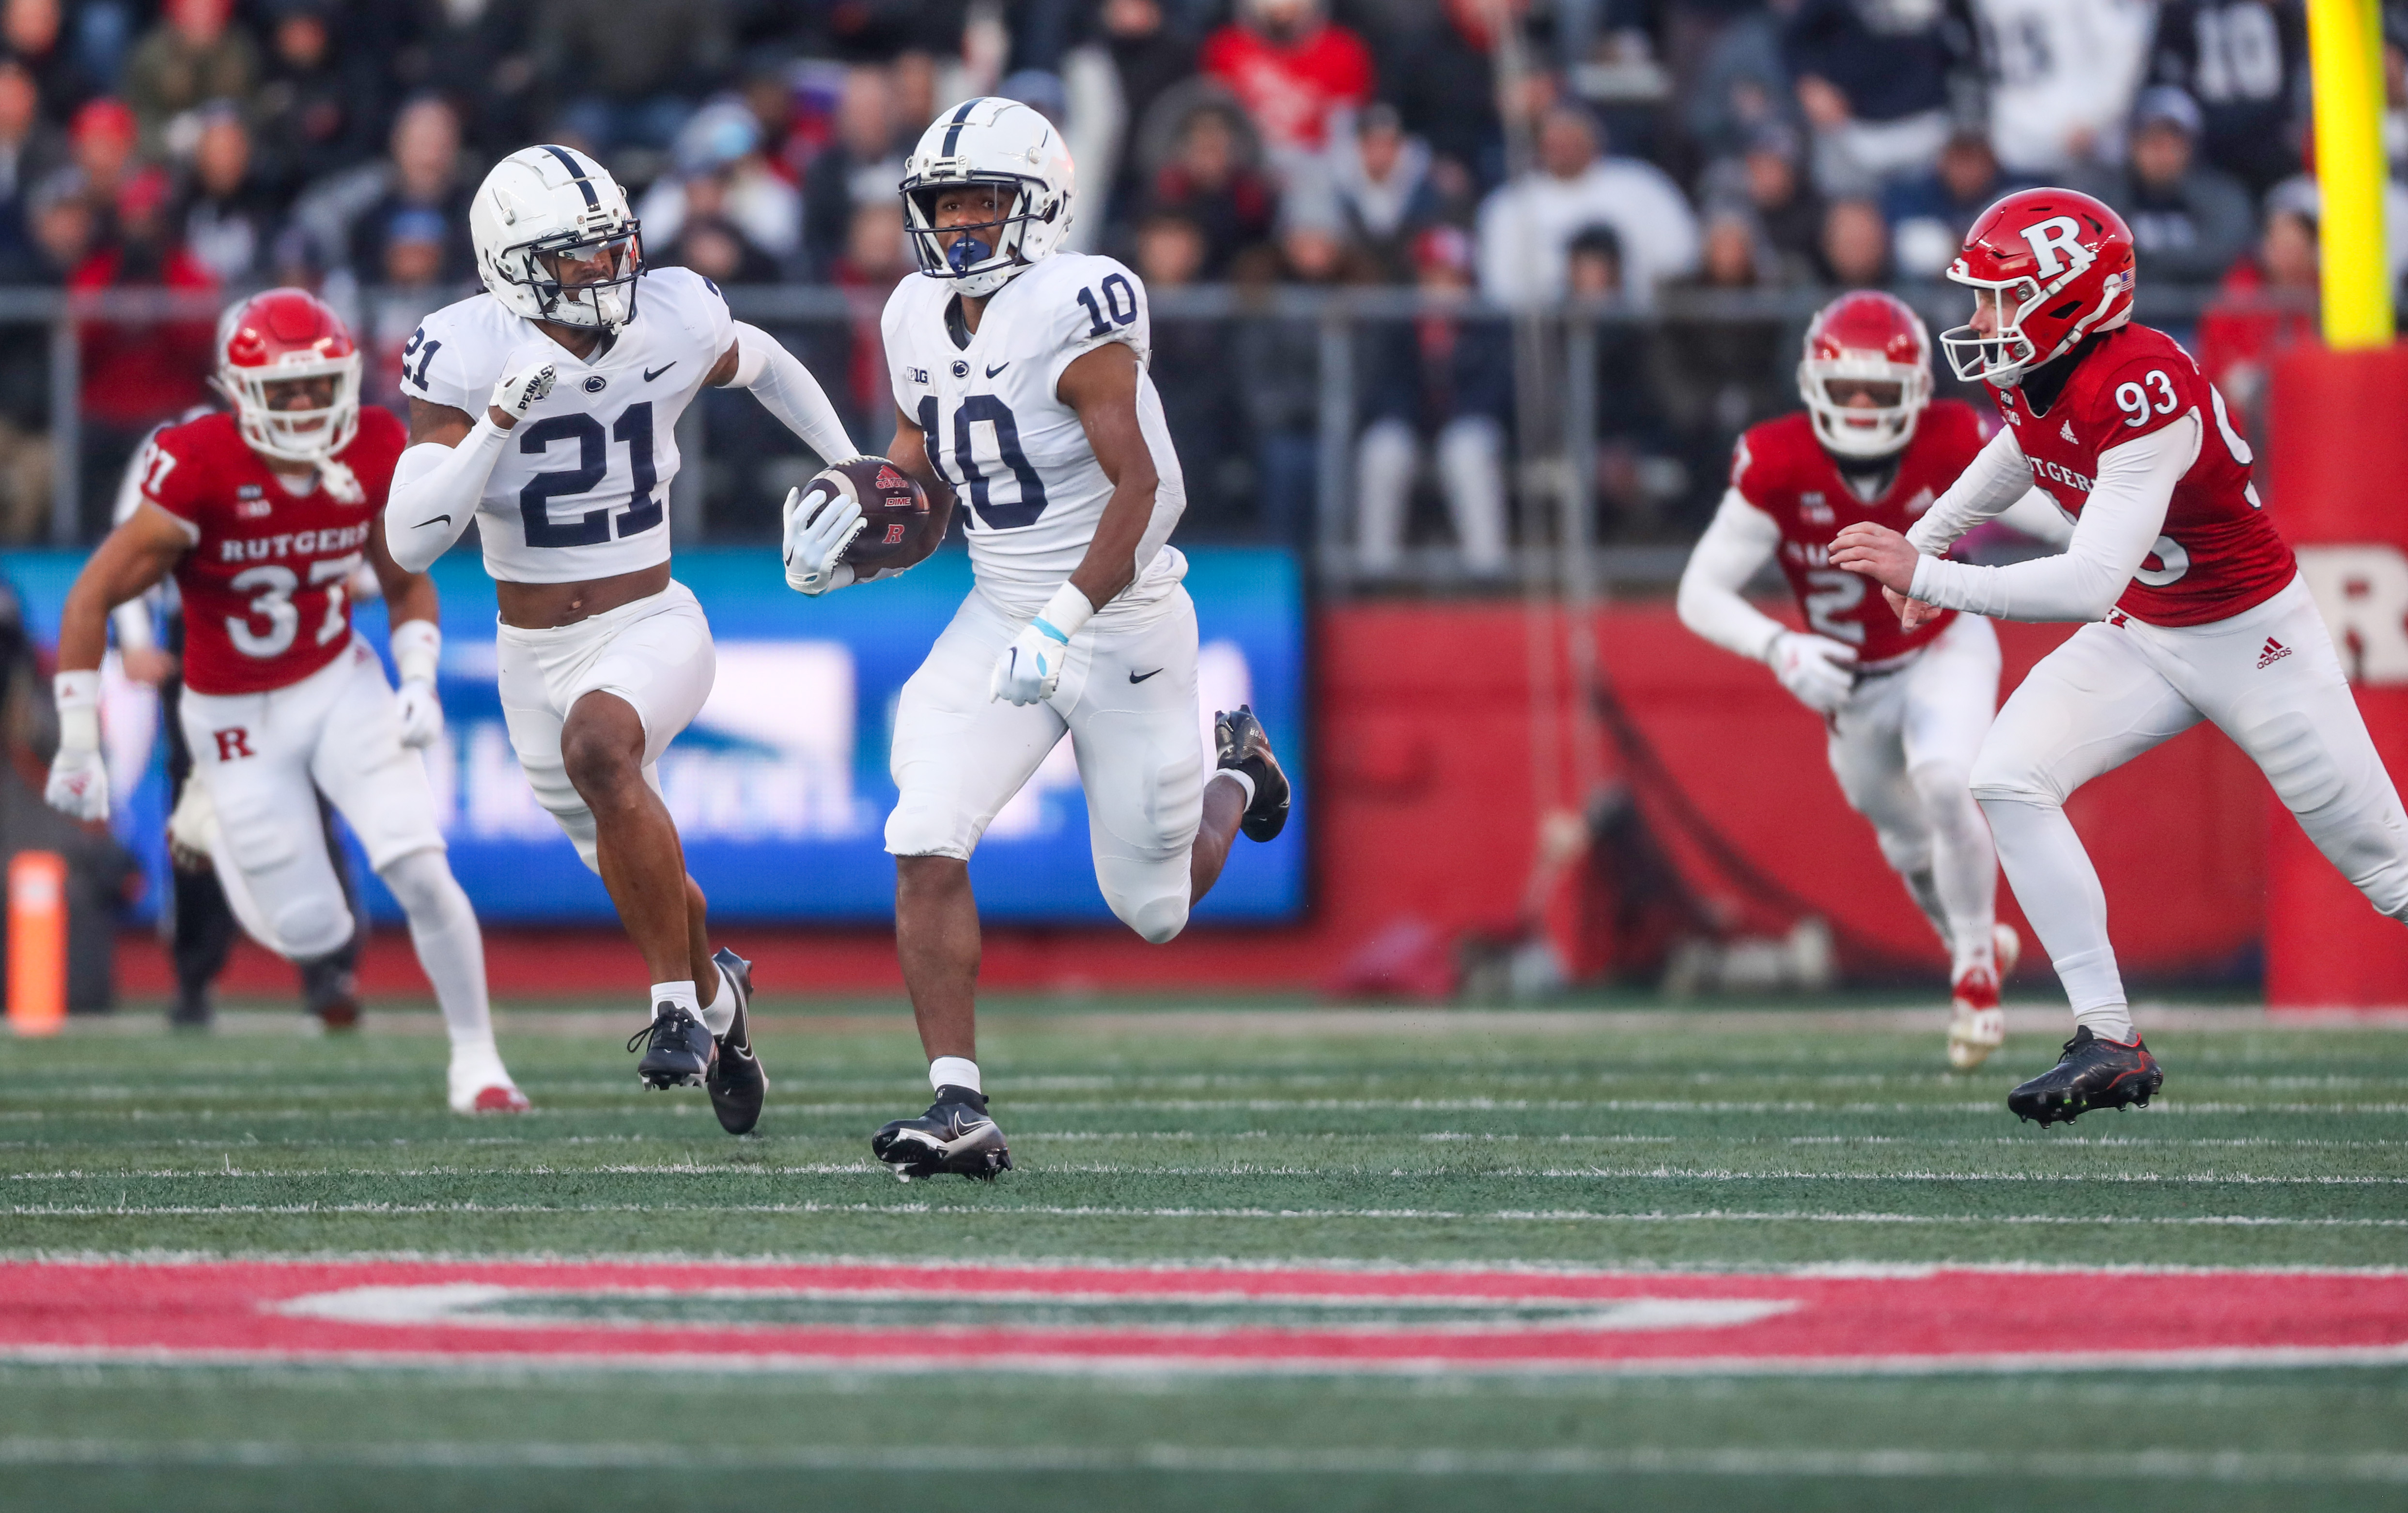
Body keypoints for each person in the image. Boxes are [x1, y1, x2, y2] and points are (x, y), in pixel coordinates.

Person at [1829, 188, 2408, 1122]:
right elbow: (2021, 449)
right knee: (2009, 776)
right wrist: (1929, 537)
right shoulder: (2039, 367)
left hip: (2251, 638)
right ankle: (2110, 1041)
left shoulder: (2145, 385)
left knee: (2391, 876)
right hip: (2149, 629)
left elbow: (2087, 580)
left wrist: (1929, 577)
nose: (1979, 320)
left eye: (1997, 297)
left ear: (2068, 298)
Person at [831, 96, 1292, 1180]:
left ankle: (1241, 775)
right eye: (940, 203)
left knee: (1155, 908)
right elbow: (924, 485)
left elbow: (1151, 488)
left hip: (1121, 616)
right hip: (1001, 611)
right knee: (923, 830)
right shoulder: (911, 314)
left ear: (1037, 208)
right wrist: (859, 541)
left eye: (980, 201)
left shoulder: (1077, 302)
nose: (956, 224)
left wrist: (1066, 617)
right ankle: (958, 1103)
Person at [382, 143, 860, 1136]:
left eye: (611, 250)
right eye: (576, 257)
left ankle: (672, 1010)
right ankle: (721, 1003)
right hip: (529, 658)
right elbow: (411, 536)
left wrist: (849, 461)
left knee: (602, 749)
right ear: (510, 265)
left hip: (650, 617)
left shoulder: (673, 311)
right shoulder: (465, 351)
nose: (606, 273)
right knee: (649, 879)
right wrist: (498, 418)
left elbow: (764, 363)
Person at [42, 290, 525, 1111]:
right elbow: (91, 595)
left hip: (339, 680)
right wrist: (80, 741)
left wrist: (416, 680)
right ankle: (222, 820)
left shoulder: (375, 443)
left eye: (318, 385)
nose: (305, 405)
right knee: (312, 930)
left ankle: (478, 1062)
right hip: (229, 713)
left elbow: (407, 583)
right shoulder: (196, 460)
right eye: (285, 390)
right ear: (237, 391)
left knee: (419, 865)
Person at [1678, 291, 2065, 1068]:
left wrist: (2135, 525)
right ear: (1812, 387)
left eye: (1879, 391)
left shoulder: (1954, 437)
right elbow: (1700, 592)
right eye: (1846, 389)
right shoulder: (1778, 460)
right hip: (1847, 683)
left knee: (1949, 781)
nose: (1861, 405)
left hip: (1942, 646)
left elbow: (2060, 520)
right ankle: (1971, 940)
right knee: (1908, 844)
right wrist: (1778, 648)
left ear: (1916, 392)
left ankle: (1974, 979)